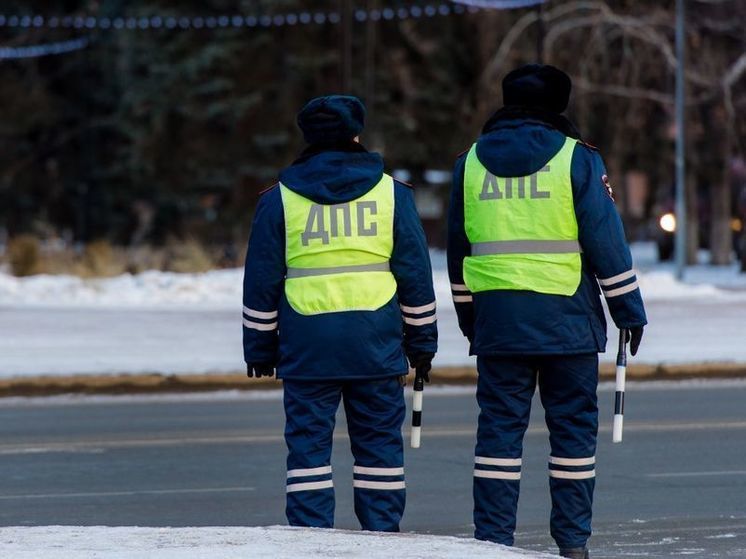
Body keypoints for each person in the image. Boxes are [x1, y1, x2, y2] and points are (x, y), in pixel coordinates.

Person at [447, 65, 647, 559]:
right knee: (573, 438)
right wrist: (628, 310)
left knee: (497, 437)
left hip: (499, 322)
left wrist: (471, 318)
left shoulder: (470, 162)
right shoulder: (575, 159)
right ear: (560, 105)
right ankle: (573, 544)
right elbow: (606, 241)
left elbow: (457, 250)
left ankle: (493, 543)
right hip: (567, 323)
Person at [242, 95, 437, 532]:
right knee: (379, 450)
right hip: (376, 343)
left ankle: (312, 542)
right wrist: (422, 343)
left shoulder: (280, 198)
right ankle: (381, 539)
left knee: (308, 452)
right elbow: (415, 276)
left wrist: (259, 346)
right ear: (356, 135)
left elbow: (261, 279)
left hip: (307, 344)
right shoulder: (391, 193)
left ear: (307, 138)